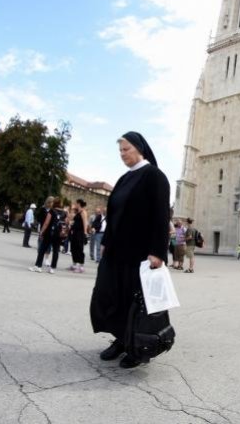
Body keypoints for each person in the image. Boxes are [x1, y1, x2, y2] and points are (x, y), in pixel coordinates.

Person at [90, 132, 171, 369]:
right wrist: (106, 242)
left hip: (140, 253)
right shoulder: (125, 178)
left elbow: (160, 216)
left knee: (135, 301)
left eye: (126, 149)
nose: (122, 154)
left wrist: (157, 252)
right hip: (117, 251)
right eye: (120, 151)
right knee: (113, 295)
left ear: (139, 148)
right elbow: (115, 212)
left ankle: (137, 347)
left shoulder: (155, 177)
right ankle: (121, 339)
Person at [29, 197, 65, 274]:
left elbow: (46, 223)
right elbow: (65, 224)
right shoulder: (64, 213)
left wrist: (41, 232)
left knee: (42, 250)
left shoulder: (52, 211)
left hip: (49, 233)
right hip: (58, 235)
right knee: (56, 251)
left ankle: (38, 266)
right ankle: (52, 268)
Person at [68, 199, 88, 273]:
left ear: (79, 204)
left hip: (80, 233)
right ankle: (74, 264)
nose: (75, 204)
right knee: (73, 248)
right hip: (75, 232)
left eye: (76, 203)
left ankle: (81, 266)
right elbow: (70, 218)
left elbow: (85, 223)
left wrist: (85, 233)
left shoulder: (83, 212)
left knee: (79, 248)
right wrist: (72, 210)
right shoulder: (77, 212)